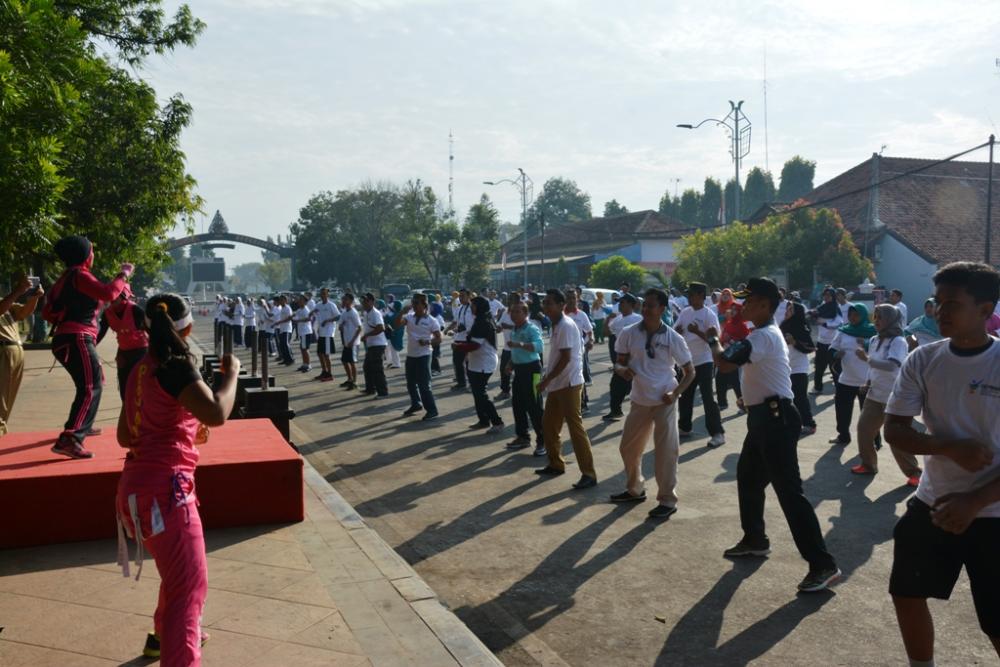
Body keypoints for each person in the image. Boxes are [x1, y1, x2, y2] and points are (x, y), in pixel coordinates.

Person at [883, 261, 1000, 666]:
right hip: (933, 502)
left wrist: (976, 500)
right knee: (906, 593)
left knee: (996, 621)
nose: (939, 311)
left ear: (985, 311)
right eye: (937, 302)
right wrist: (948, 447)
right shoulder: (924, 359)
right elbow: (894, 430)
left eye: (952, 304)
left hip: (995, 511)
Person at [116, 293, 240, 665]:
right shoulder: (177, 366)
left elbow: (125, 435)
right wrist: (231, 375)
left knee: (177, 575)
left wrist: (174, 427)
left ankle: (160, 638)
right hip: (167, 494)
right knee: (189, 587)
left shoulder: (141, 369)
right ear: (186, 327)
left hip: (136, 489)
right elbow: (217, 412)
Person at [708, 277, 841, 593]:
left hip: (776, 420)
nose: (743, 305)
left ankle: (824, 565)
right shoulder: (762, 335)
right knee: (749, 478)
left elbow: (725, 364)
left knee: (790, 493)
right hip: (764, 417)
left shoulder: (764, 335)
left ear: (766, 305)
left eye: (749, 300)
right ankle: (755, 538)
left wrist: (714, 338)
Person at [43, 235, 132, 458]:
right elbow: (109, 293)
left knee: (93, 382)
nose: (93, 255)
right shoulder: (79, 275)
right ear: (84, 255)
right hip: (77, 338)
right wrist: (123, 275)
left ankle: (83, 424)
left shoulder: (63, 278)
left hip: (67, 339)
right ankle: (70, 438)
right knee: (91, 386)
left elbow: (47, 313)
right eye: (91, 251)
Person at [609, 288, 695, 519]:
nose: (646, 309)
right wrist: (622, 370)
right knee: (628, 448)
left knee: (666, 451)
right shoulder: (628, 333)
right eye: (644, 305)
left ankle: (667, 500)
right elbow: (619, 362)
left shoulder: (673, 338)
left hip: (665, 399)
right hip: (639, 399)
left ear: (662, 309)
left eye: (651, 305)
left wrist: (675, 393)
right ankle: (635, 489)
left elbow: (689, 372)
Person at [850, 304, 921, 484]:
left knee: (895, 438)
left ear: (890, 320)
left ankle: (914, 473)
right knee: (864, 430)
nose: (877, 321)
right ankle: (868, 465)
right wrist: (867, 382)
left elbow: (892, 365)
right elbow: (873, 368)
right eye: (876, 317)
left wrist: (867, 359)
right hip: (875, 394)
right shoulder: (874, 339)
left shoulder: (898, 341)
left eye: (881, 318)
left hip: (894, 396)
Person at [535, 289, 597, 490]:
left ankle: (588, 473)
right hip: (558, 383)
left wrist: (546, 380)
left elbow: (565, 358)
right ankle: (555, 463)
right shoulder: (556, 325)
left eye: (549, 303)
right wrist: (549, 379)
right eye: (544, 303)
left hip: (569, 383)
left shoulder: (566, 325)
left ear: (562, 305)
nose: (545, 307)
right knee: (549, 425)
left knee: (575, 428)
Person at [674, 282, 725, 448]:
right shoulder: (685, 312)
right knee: (685, 396)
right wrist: (679, 332)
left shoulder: (709, 314)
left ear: (702, 296)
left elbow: (714, 340)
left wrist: (697, 332)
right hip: (687, 361)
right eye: (689, 294)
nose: (690, 297)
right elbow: (676, 331)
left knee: (708, 398)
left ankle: (717, 433)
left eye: (693, 294)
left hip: (704, 361)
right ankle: (685, 428)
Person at [0, 275, 44, 437]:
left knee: (8, 400)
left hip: (14, 350)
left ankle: (2, 433)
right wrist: (18, 291)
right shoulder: (4, 302)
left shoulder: (4, 301)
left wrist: (34, 298)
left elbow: (23, 312)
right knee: (1, 401)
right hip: (3, 351)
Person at [454, 296, 504, 433]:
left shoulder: (483, 321)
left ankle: (497, 421)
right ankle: (483, 420)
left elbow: (475, 345)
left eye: (473, 305)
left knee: (481, 393)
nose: (471, 307)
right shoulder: (480, 319)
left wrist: (459, 347)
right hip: (476, 361)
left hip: (484, 362)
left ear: (480, 307)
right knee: (477, 393)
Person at [828, 303, 877, 445]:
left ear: (863, 315)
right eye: (850, 315)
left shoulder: (873, 331)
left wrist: (866, 343)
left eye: (856, 315)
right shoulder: (843, 331)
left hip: (866, 381)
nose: (852, 317)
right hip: (846, 379)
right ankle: (843, 435)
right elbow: (832, 348)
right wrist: (836, 354)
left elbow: (881, 349)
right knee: (842, 411)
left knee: (868, 414)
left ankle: (874, 440)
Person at [504, 300, 545, 454]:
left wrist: (520, 345)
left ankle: (543, 441)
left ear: (526, 314)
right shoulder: (515, 328)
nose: (513, 314)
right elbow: (515, 352)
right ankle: (523, 437)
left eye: (517, 312)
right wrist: (510, 363)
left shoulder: (531, 328)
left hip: (532, 370)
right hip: (520, 371)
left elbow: (539, 347)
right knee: (518, 405)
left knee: (534, 406)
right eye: (512, 311)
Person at [97, 286, 149, 401]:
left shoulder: (135, 310)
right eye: (111, 296)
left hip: (141, 352)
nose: (112, 299)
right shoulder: (108, 313)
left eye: (116, 296)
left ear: (123, 296)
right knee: (124, 386)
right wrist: (90, 346)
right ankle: (127, 410)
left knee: (141, 385)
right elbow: (100, 333)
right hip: (123, 353)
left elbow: (151, 328)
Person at [399, 293, 441, 421]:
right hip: (411, 354)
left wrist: (428, 342)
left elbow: (439, 338)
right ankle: (416, 404)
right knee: (410, 383)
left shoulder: (431, 321)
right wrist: (402, 312)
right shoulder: (409, 317)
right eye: (413, 302)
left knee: (424, 384)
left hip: (424, 355)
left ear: (424, 305)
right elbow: (398, 324)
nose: (414, 305)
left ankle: (432, 410)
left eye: (417, 303)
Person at [780, 302, 817, 436]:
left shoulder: (802, 327)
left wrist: (794, 342)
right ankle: (791, 423)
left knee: (800, 397)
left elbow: (810, 348)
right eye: (787, 308)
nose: (787, 311)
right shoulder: (782, 326)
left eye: (790, 309)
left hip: (799, 367)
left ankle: (809, 424)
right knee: (785, 398)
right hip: (785, 367)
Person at [602, 293, 641, 421]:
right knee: (616, 385)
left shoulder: (638, 318)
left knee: (636, 386)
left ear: (631, 305)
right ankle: (616, 410)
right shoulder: (617, 319)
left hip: (635, 357)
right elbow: (607, 333)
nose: (620, 305)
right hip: (622, 358)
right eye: (619, 302)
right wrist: (608, 319)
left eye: (623, 302)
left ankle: (644, 413)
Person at [564, 288, 594, 413]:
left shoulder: (581, 315)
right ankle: (567, 404)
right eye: (569, 298)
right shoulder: (561, 314)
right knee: (565, 378)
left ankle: (583, 404)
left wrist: (590, 341)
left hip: (578, 352)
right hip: (563, 351)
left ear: (577, 299)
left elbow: (589, 330)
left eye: (573, 298)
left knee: (578, 377)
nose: (571, 300)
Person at [716, 302, 750, 412]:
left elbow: (745, 344)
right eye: (732, 309)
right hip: (726, 355)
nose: (732, 311)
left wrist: (730, 340)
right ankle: (722, 403)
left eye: (735, 309)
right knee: (720, 379)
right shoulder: (728, 323)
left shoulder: (743, 326)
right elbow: (722, 338)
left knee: (736, 382)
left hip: (736, 358)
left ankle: (743, 405)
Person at [809, 287, 843, 393]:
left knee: (835, 367)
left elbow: (839, 323)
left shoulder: (836, 308)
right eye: (825, 295)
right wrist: (812, 315)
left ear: (833, 297)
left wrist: (824, 323)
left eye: (829, 295)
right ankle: (817, 388)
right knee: (819, 366)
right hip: (821, 341)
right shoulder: (821, 307)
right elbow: (813, 316)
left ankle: (839, 390)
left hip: (833, 342)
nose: (827, 297)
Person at [359, 293, 388, 397]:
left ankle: (383, 392)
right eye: (363, 301)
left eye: (366, 301)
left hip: (378, 345)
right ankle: (370, 389)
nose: (364, 303)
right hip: (371, 345)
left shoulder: (375, 313)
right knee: (367, 367)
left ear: (372, 302)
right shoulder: (367, 313)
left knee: (377, 369)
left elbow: (381, 328)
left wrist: (367, 335)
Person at [444, 288, 473, 390]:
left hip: (469, 339)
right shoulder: (460, 308)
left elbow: (476, 323)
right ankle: (461, 383)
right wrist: (447, 329)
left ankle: (472, 384)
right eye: (460, 296)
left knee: (470, 363)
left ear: (469, 296)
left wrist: (465, 329)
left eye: (463, 296)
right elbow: (455, 322)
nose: (460, 298)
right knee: (457, 361)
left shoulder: (473, 308)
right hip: (459, 338)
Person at [313, 287, 340, 382]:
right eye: (321, 293)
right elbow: (313, 312)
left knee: (326, 355)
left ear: (327, 295)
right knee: (320, 353)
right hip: (321, 333)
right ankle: (324, 371)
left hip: (328, 333)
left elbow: (338, 316)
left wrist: (328, 320)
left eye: (324, 293)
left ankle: (329, 374)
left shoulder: (331, 305)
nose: (322, 295)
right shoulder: (318, 305)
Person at [495, 292, 518, 401]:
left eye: (512, 300)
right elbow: (499, 327)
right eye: (509, 299)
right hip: (507, 348)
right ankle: (505, 391)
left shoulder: (522, 312)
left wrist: (508, 326)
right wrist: (497, 328)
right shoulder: (505, 312)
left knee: (519, 373)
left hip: (520, 349)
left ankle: (520, 394)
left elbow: (524, 327)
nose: (510, 301)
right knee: (504, 370)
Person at [339, 293, 362, 390]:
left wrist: (353, 341)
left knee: (352, 362)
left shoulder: (353, 312)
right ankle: (349, 379)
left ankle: (355, 382)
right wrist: (341, 326)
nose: (344, 301)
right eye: (343, 299)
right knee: (344, 361)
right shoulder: (344, 313)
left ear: (351, 301)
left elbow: (359, 328)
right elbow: (340, 327)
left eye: (346, 300)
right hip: (346, 341)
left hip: (353, 342)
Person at [292, 295, 314, 373]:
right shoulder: (299, 310)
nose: (299, 301)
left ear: (305, 302)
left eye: (301, 300)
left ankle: (308, 365)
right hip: (302, 332)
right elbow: (294, 316)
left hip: (306, 331)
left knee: (305, 349)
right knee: (302, 348)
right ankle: (304, 364)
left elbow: (309, 318)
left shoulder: (306, 309)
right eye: (299, 300)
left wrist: (298, 320)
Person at [273, 295, 295, 366]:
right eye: (280, 300)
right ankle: (285, 359)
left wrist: (280, 322)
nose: (281, 301)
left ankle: (290, 359)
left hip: (287, 328)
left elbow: (289, 318)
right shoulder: (282, 308)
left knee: (285, 344)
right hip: (282, 328)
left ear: (286, 300)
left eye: (282, 300)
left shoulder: (287, 308)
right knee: (281, 344)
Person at [429, 295, 445, 375]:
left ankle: (437, 370)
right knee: (431, 354)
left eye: (432, 307)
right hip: (431, 337)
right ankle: (432, 368)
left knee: (434, 354)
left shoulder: (438, 317)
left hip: (436, 338)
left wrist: (437, 332)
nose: (430, 308)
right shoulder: (431, 316)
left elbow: (442, 326)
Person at [387, 299, 404, 370]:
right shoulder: (399, 314)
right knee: (393, 349)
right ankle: (394, 362)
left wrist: (386, 315)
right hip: (397, 333)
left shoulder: (395, 315)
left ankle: (396, 363)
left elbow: (388, 320)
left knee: (394, 349)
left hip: (395, 334)